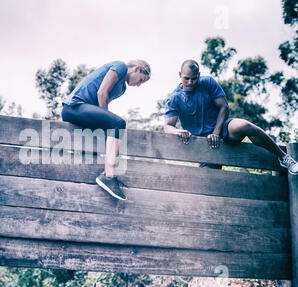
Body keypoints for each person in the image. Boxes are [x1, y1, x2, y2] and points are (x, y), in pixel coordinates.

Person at [164, 59, 298, 175]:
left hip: (223, 129)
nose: (190, 82)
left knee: (244, 125)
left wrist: (216, 132)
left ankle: (284, 158)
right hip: (205, 144)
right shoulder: (174, 99)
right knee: (210, 181)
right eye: (186, 78)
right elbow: (168, 126)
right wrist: (178, 131)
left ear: (199, 75)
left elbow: (224, 107)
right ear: (180, 75)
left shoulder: (208, 82)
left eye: (194, 78)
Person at [62, 60, 151, 200]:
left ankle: (108, 172)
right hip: (74, 107)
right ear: (136, 69)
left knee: (114, 129)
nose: (139, 85)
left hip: (84, 111)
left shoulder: (122, 89)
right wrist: (109, 124)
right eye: (141, 80)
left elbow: (105, 107)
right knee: (119, 123)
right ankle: (108, 176)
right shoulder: (120, 67)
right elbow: (101, 93)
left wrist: (108, 125)